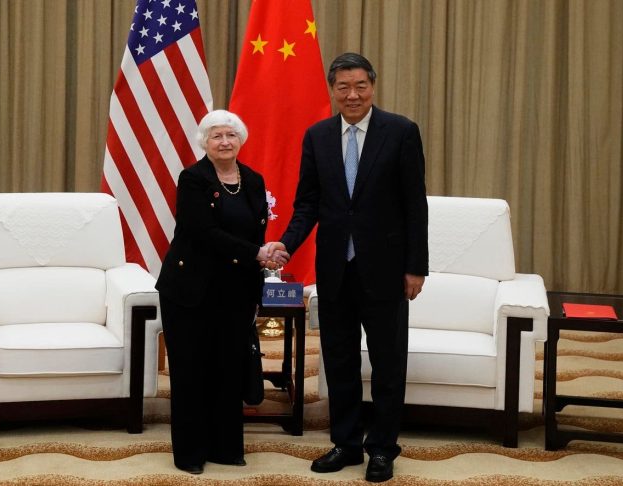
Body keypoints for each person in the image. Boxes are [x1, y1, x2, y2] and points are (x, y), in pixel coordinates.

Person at [267, 53, 428, 483]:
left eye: (360, 86)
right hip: (336, 269)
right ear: (333, 90)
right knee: (339, 361)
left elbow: (415, 205)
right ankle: (346, 443)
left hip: (387, 270)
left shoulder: (400, 131)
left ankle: (383, 449)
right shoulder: (318, 136)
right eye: (343, 87)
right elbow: (308, 203)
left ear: (372, 86)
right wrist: (287, 243)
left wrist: (416, 267)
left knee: (388, 363)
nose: (352, 95)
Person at [155, 110, 288, 475]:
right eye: (217, 136)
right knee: (191, 370)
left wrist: (265, 255)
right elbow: (203, 232)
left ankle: (225, 447)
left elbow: (256, 230)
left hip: (237, 289)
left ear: (240, 140)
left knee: (229, 368)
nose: (225, 142)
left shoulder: (254, 180)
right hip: (190, 289)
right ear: (205, 142)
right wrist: (256, 253)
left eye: (231, 135)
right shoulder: (193, 179)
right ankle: (190, 453)